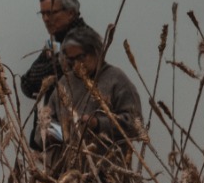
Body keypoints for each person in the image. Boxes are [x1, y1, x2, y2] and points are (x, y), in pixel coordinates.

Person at [44, 25, 144, 157]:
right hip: (67, 172)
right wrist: (57, 133)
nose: (76, 65)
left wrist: (97, 124)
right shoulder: (65, 82)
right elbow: (45, 123)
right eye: (71, 60)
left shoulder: (117, 80)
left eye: (81, 57)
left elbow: (135, 125)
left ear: (96, 52)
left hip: (106, 170)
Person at [20, 0, 88, 102]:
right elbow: (27, 84)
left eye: (51, 13)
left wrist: (43, 71)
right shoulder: (56, 40)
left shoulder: (83, 40)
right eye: (42, 14)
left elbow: (56, 71)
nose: (46, 19)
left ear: (70, 13)